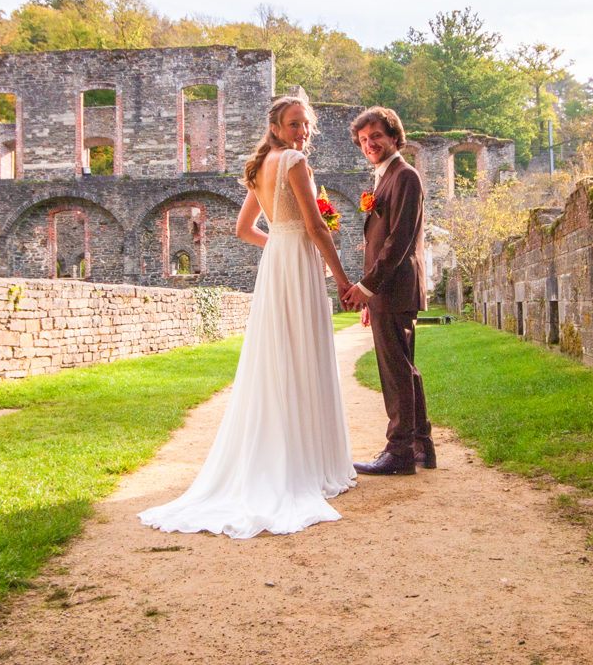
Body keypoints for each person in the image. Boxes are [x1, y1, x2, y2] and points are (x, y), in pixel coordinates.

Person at [138, 92, 359, 537]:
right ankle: (306, 464)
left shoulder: (260, 167)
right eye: (294, 123)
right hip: (296, 262)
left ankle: (284, 457)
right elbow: (316, 226)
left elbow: (245, 230)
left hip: (278, 262)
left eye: (306, 123)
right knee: (303, 351)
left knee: (279, 354)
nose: (303, 131)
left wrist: (280, 243)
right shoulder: (293, 160)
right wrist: (341, 279)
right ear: (276, 128)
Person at [342, 107, 433, 475]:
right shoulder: (385, 178)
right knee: (405, 369)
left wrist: (367, 286)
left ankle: (399, 452)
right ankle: (421, 446)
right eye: (364, 140)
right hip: (387, 290)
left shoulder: (405, 176)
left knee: (395, 372)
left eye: (376, 136)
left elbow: (399, 240)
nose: (370, 144)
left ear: (395, 136)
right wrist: (370, 296)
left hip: (396, 287)